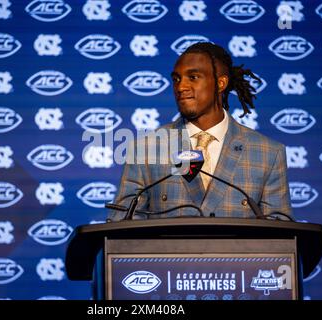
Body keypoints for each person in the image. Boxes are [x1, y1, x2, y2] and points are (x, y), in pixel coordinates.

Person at [108, 42, 292, 221]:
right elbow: (122, 224)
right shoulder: (147, 148)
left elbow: (281, 236)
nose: (181, 87)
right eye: (176, 79)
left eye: (193, 77)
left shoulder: (268, 153)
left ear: (221, 83)